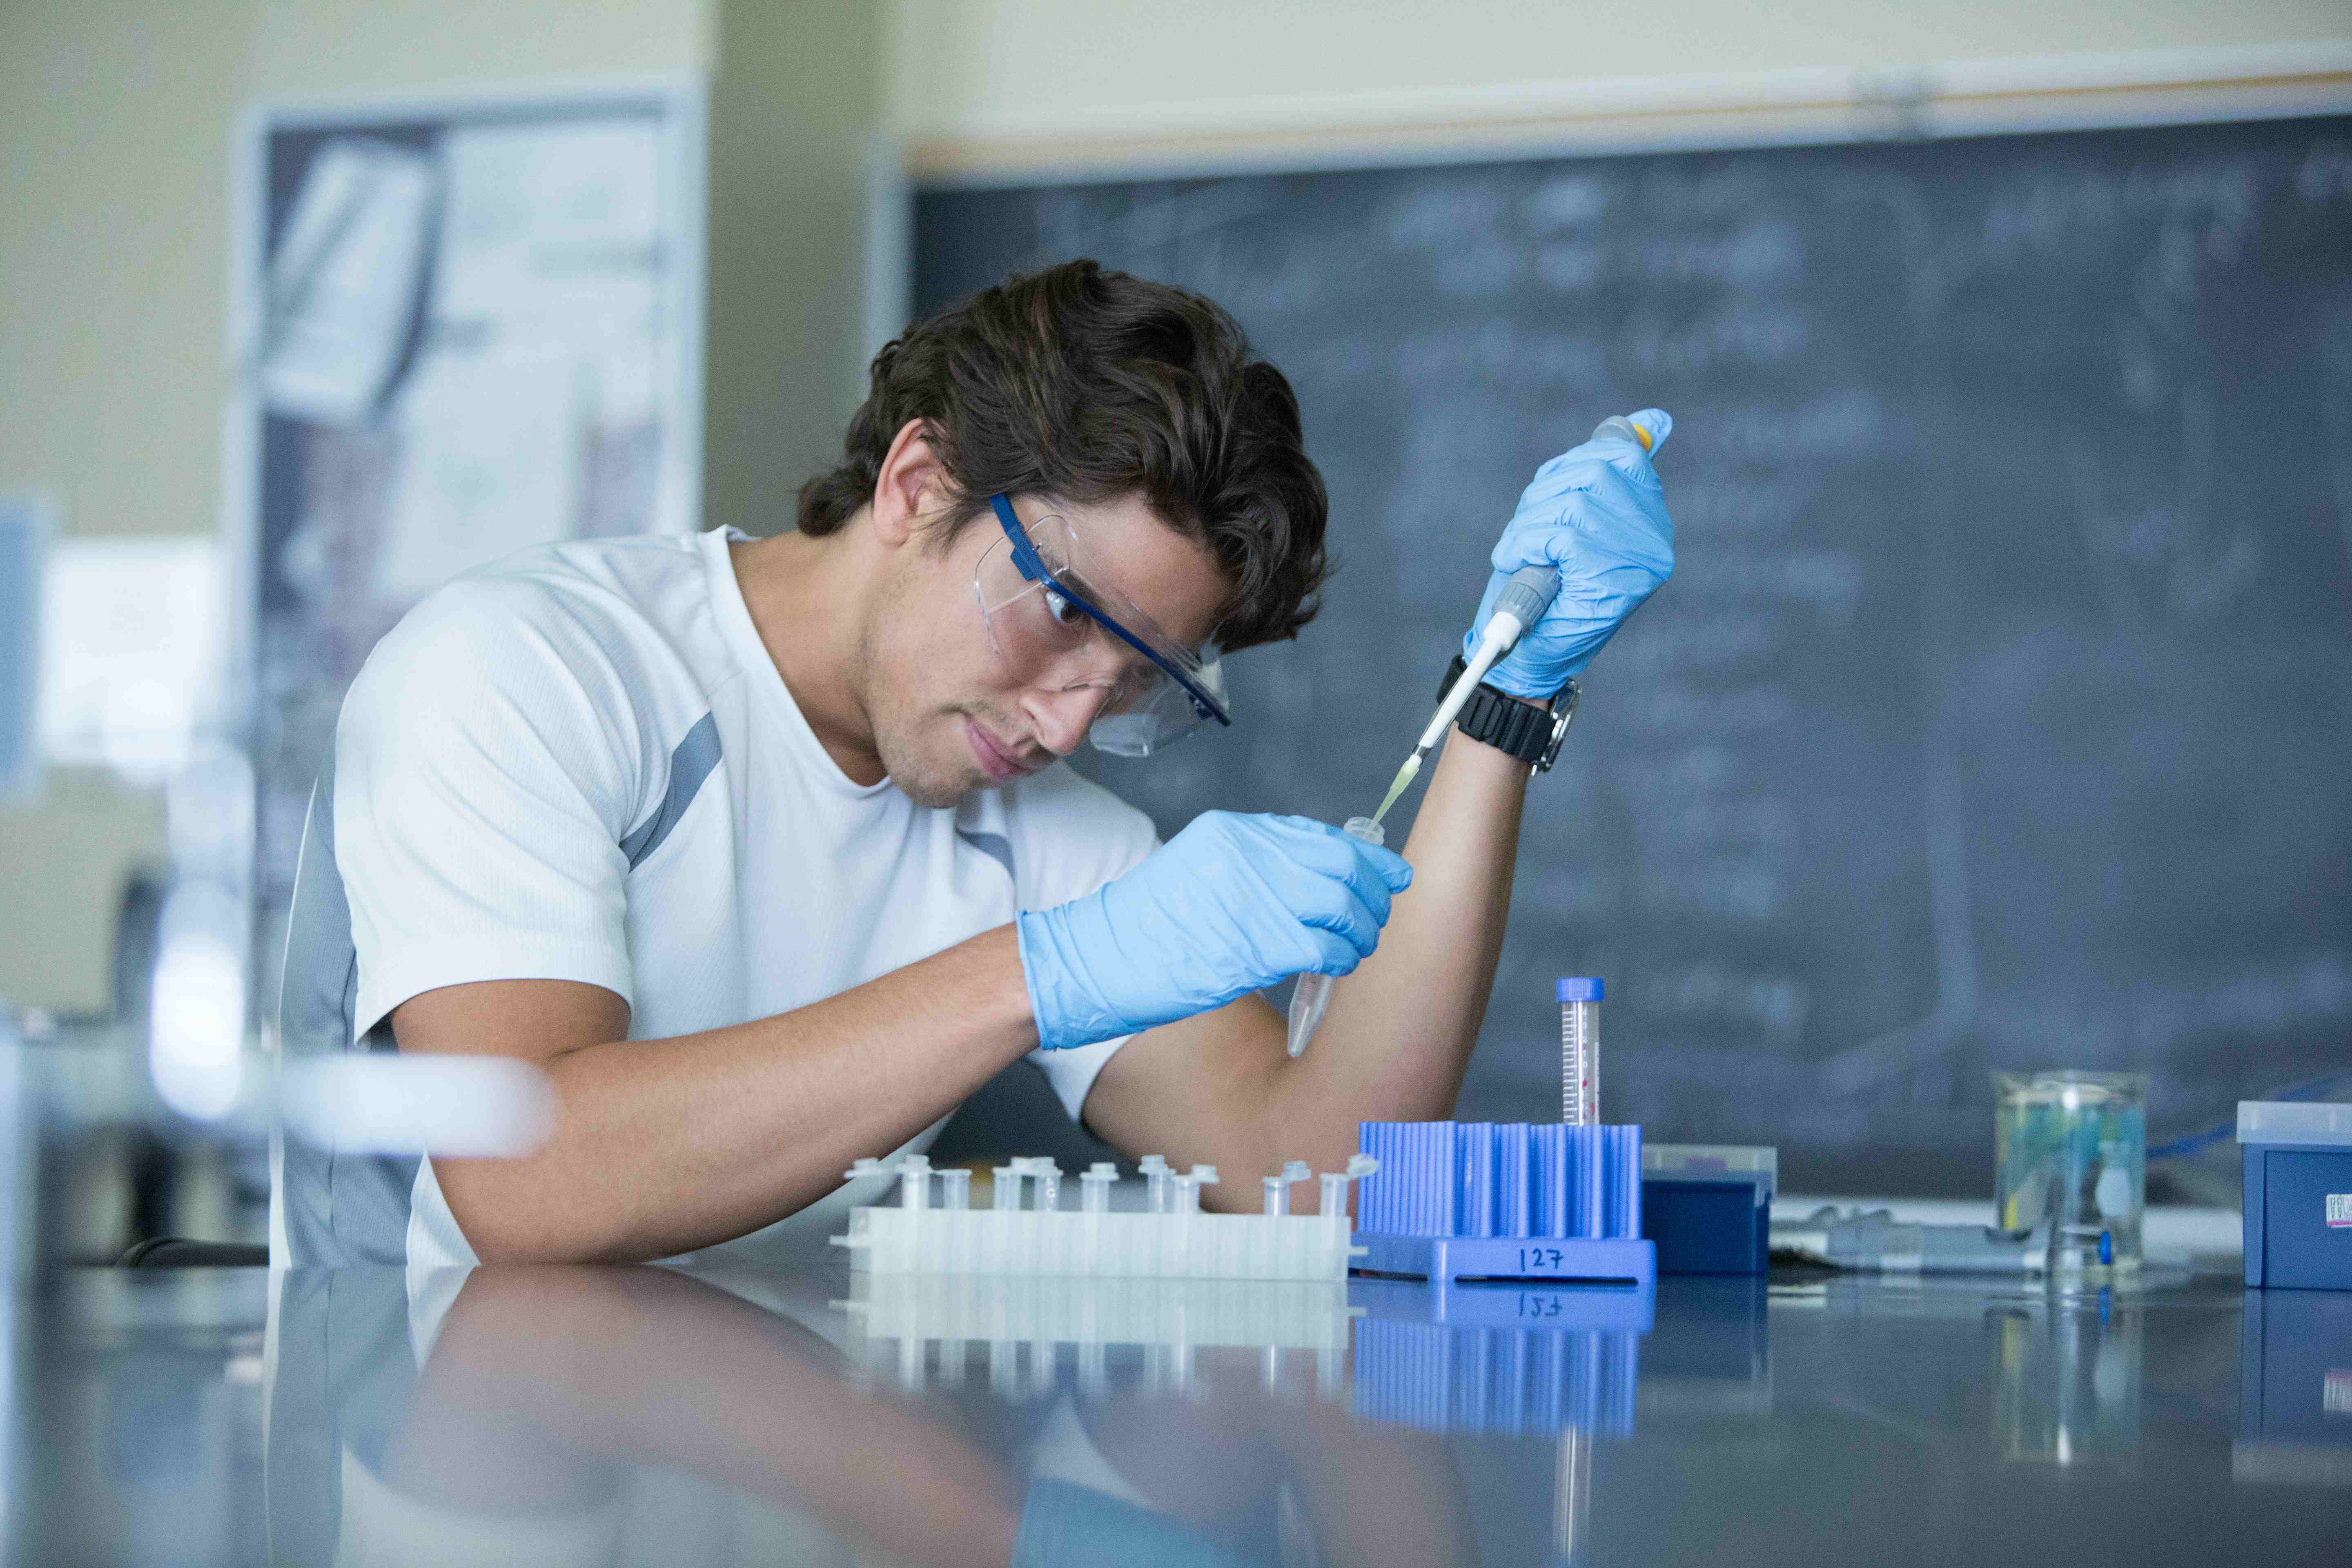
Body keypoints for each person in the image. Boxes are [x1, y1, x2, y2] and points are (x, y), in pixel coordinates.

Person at [273, 259, 1673, 1267]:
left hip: (761, 1465)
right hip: (442, 1456)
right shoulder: (529, 670)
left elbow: (1316, 1176)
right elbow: (530, 1178)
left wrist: (1505, 705)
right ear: (917, 483)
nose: (1065, 725)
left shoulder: (1033, 825)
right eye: (1064, 614)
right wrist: (1040, 974)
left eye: (1135, 680)